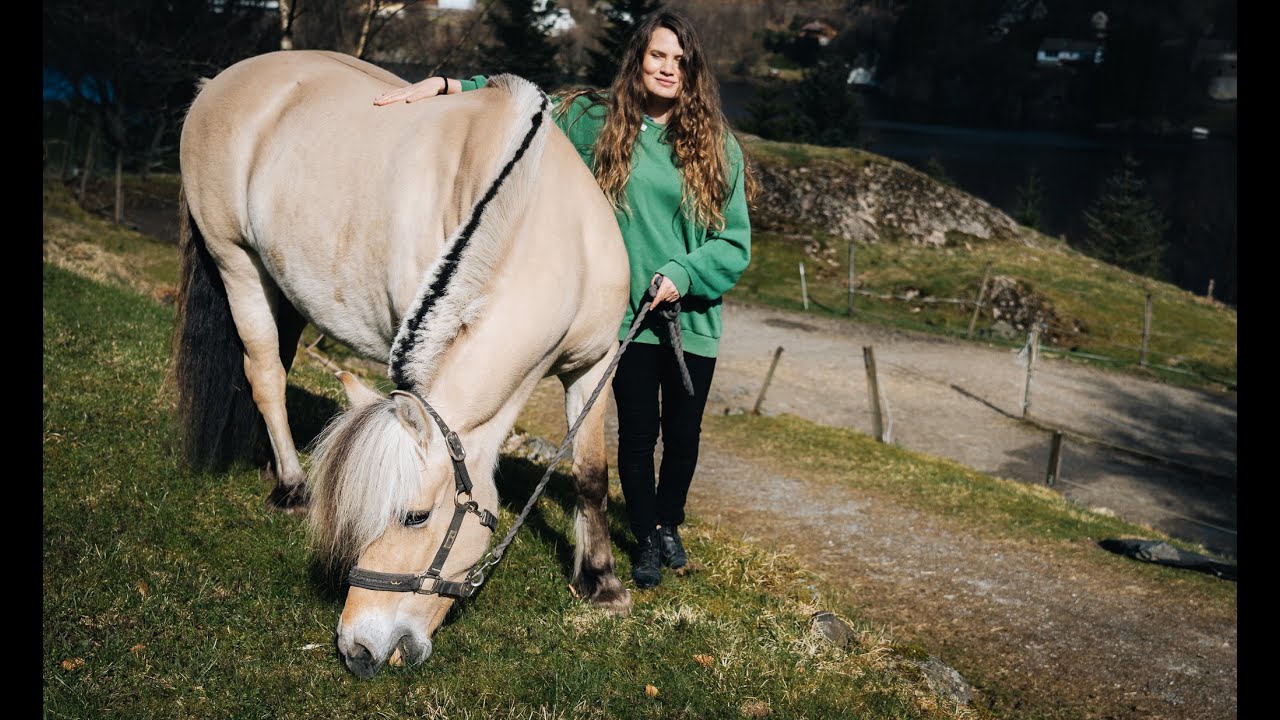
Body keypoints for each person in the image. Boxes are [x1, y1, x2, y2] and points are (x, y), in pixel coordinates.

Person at [373, 7, 754, 590]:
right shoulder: (594, 119)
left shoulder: (717, 146)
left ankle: (668, 522)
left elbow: (734, 242)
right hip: (625, 319)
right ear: (639, 59)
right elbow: (520, 109)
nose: (667, 68)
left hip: (691, 320)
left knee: (683, 438)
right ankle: (645, 538)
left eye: (680, 61)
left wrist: (685, 271)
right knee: (636, 438)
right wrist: (448, 86)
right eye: (657, 55)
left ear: (692, 69)